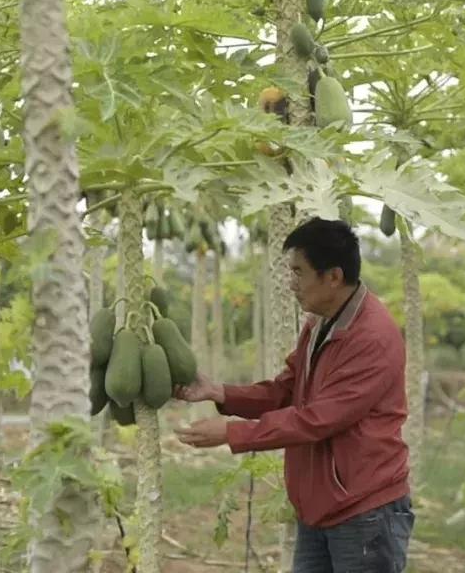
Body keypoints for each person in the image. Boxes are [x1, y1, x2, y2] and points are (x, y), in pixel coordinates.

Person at [173, 216, 415, 572]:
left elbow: (318, 419)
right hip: (320, 508)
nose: (292, 284)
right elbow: (287, 390)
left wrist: (231, 433)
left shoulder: (372, 339)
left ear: (333, 276)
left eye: (299, 272)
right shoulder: (320, 323)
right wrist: (219, 392)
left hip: (365, 513)